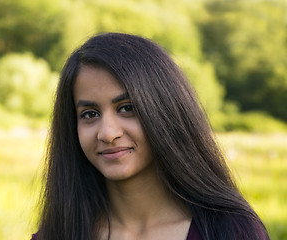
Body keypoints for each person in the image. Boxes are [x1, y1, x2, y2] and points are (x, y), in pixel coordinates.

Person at [32, 33, 269, 240]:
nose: (108, 133)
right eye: (90, 114)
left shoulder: (231, 231)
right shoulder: (57, 233)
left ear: (164, 111)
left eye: (127, 108)